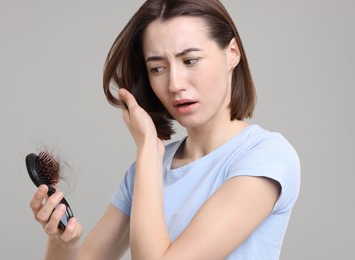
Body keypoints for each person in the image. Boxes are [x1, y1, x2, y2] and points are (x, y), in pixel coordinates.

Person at [29, 0, 301, 259]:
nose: (174, 84)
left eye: (190, 60)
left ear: (232, 54)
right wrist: (63, 241)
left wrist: (148, 145)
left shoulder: (266, 157)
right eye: (157, 68)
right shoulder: (146, 171)